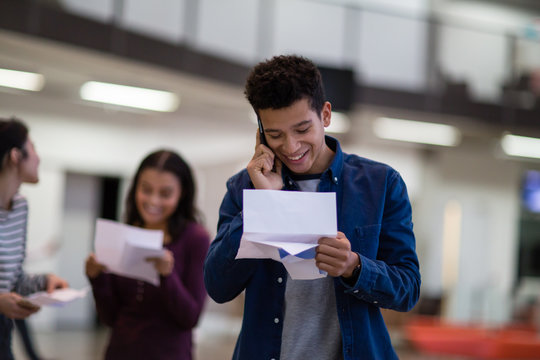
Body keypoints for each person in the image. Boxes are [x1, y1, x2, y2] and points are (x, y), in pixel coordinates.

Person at [204, 55, 421, 360]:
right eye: (275, 134)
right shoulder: (244, 188)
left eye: (302, 129)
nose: (291, 147)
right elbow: (218, 286)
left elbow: (408, 288)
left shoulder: (381, 185)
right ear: (260, 131)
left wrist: (354, 266)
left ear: (326, 114)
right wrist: (264, 203)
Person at [85, 150, 210, 360]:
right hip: (120, 351)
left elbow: (190, 318)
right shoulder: (125, 232)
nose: (153, 201)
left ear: (183, 194)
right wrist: (97, 278)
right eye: (146, 189)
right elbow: (109, 317)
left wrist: (166, 276)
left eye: (165, 193)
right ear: (135, 188)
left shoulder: (195, 238)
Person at [0, 117, 69, 360]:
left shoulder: (19, 208)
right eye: (34, 148)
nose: (38, 157)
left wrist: (43, 282)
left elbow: (13, 280)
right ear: (15, 156)